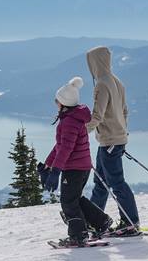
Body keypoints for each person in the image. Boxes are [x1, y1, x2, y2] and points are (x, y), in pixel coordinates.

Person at [38, 76, 113, 247]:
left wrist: (56, 171)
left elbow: (66, 149)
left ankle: (78, 236)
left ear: (64, 103)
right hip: (81, 167)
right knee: (75, 198)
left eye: (57, 100)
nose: (55, 102)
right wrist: (48, 165)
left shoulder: (69, 122)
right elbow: (60, 146)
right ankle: (101, 221)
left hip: (74, 168)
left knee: (68, 201)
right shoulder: (72, 118)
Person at [85, 46, 140, 234]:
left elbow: (97, 115)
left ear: (95, 62)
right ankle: (93, 221)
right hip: (114, 139)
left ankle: (130, 222)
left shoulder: (101, 84)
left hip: (109, 141)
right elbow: (125, 111)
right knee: (101, 183)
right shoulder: (117, 81)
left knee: (116, 183)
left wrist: (80, 132)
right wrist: (123, 133)